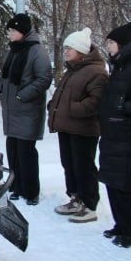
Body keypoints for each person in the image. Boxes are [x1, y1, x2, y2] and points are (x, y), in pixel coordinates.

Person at [47, 28, 107, 223]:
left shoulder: (96, 71)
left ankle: (89, 205)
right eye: (65, 48)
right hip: (68, 125)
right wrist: (53, 106)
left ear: (81, 50)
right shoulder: (73, 70)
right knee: (69, 164)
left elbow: (96, 101)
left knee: (83, 166)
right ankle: (75, 198)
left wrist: (71, 109)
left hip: (84, 129)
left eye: (69, 48)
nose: (65, 51)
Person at [0, 13, 52, 206]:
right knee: (13, 151)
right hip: (12, 112)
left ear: (23, 31)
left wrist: (22, 95)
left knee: (26, 153)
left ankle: (31, 191)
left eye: (13, 30)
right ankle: (16, 186)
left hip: (27, 111)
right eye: (9, 31)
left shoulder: (37, 52)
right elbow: (5, 76)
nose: (10, 34)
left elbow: (44, 79)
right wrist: (0, 91)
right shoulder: (13, 51)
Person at [98, 21, 131, 248]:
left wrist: (122, 108)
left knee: (125, 184)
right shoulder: (119, 66)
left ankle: (129, 230)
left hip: (126, 136)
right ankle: (120, 224)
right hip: (112, 133)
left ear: (123, 44)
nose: (108, 46)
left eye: (111, 42)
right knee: (112, 182)